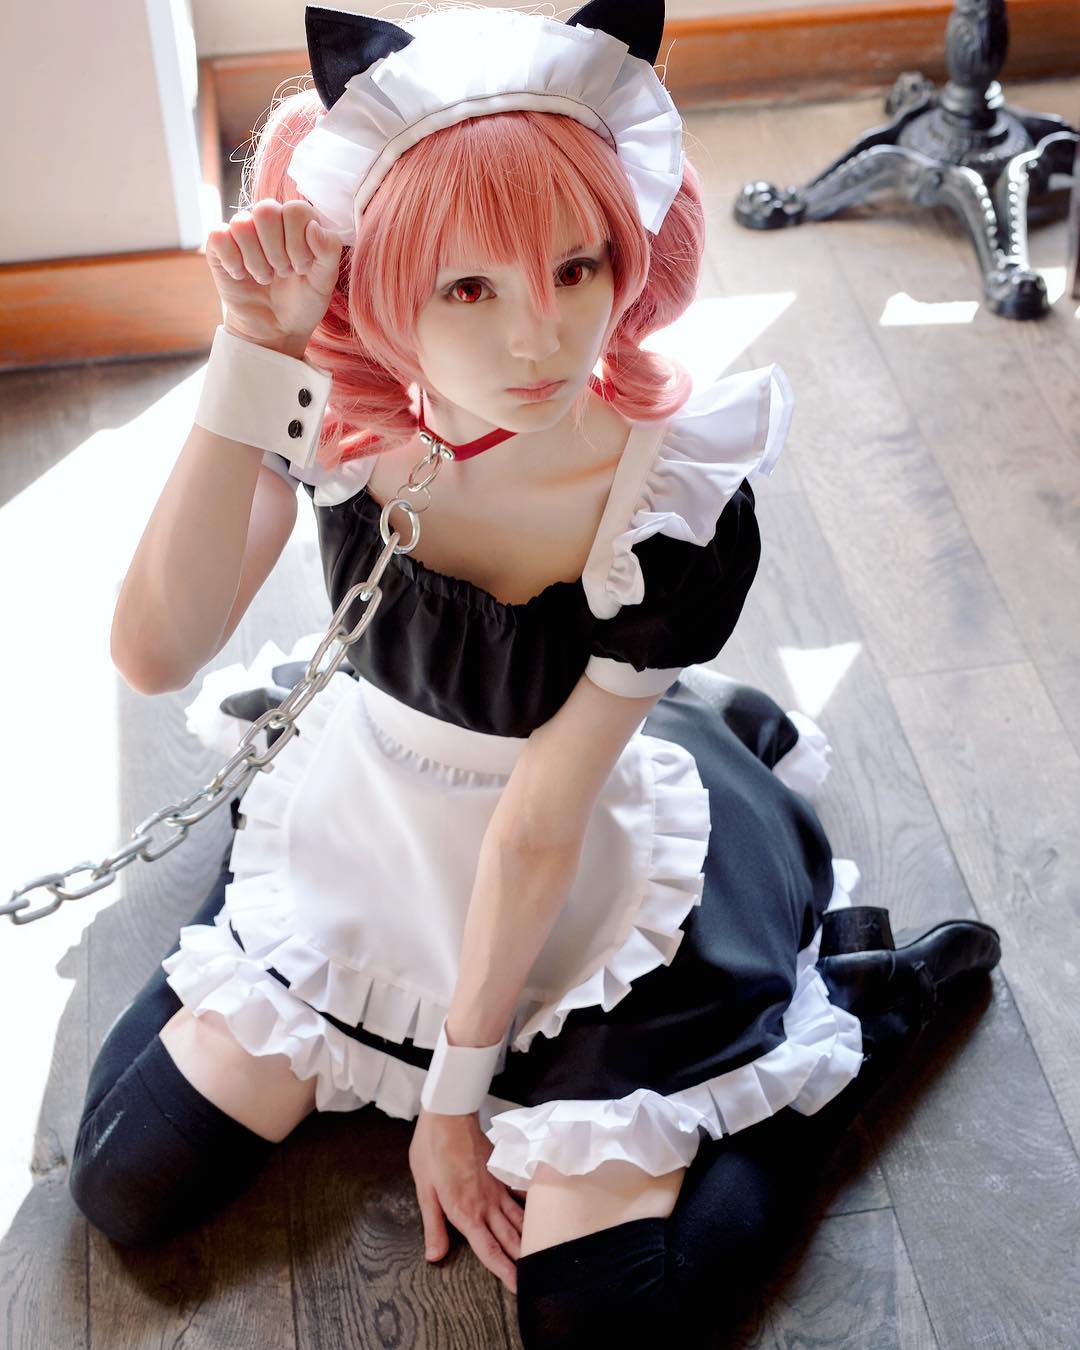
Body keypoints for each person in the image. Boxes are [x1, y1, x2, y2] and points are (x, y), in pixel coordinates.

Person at [68, 3, 1002, 1344]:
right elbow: (154, 652)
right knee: (123, 1180)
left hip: (584, 883)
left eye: (577, 266)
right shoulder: (334, 420)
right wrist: (250, 351)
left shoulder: (672, 497)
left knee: (595, 1321)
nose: (543, 338)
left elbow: (539, 827)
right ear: (376, 284)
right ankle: (286, 947)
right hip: (372, 830)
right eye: (469, 288)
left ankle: (856, 1030)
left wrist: (454, 1101)